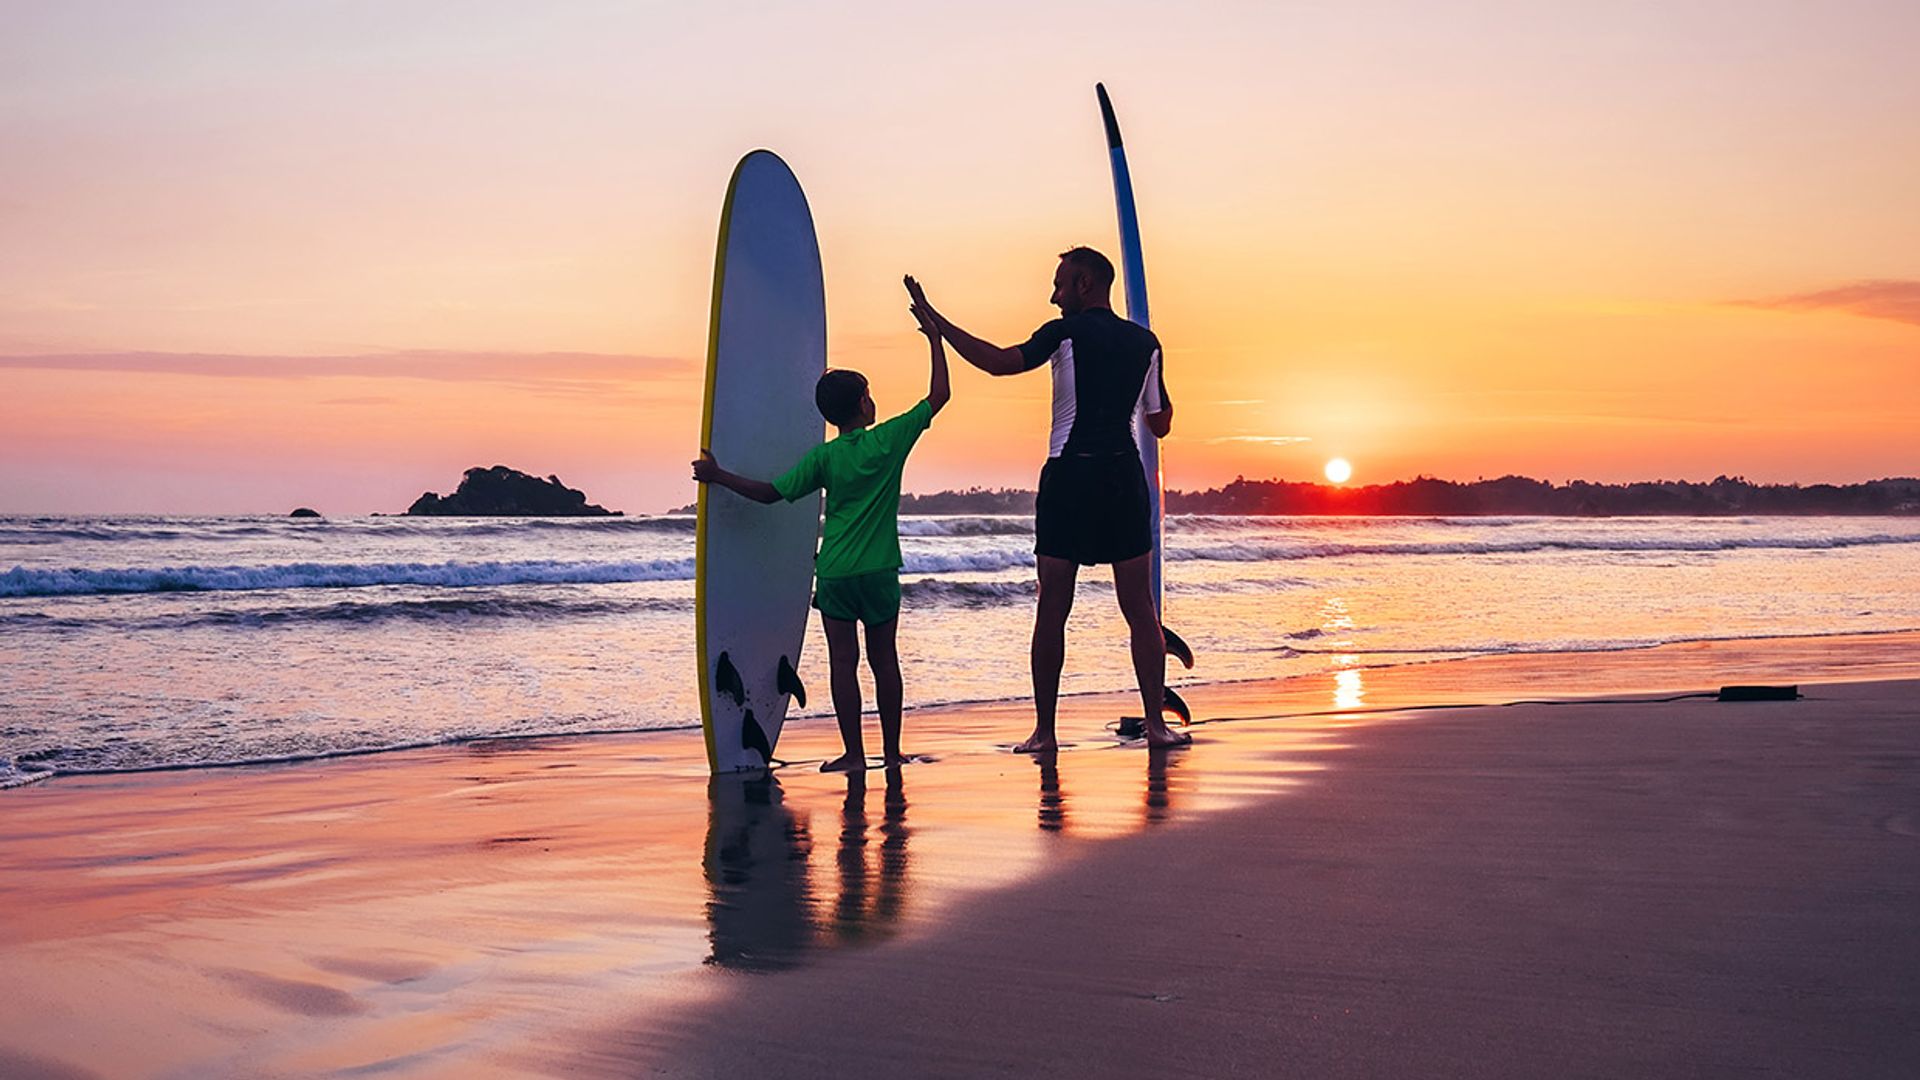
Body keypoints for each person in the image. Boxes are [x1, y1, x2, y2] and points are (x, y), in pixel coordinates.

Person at [905, 248, 1185, 752]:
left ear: (1083, 284)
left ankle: (1045, 733)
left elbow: (997, 362)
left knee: (1053, 606)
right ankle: (1157, 726)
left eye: (1059, 284)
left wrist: (937, 323)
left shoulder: (1064, 333)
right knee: (1140, 607)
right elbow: (1159, 421)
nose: (1052, 296)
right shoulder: (1146, 343)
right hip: (1123, 478)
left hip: (1070, 477)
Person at [693, 284, 950, 771]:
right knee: (885, 662)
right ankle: (891, 754)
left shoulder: (823, 458)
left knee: (842, 664)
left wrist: (718, 474)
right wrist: (934, 339)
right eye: (869, 395)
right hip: (878, 572)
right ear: (864, 404)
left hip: (834, 574)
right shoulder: (888, 441)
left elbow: (770, 493)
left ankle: (854, 755)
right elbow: (940, 395)